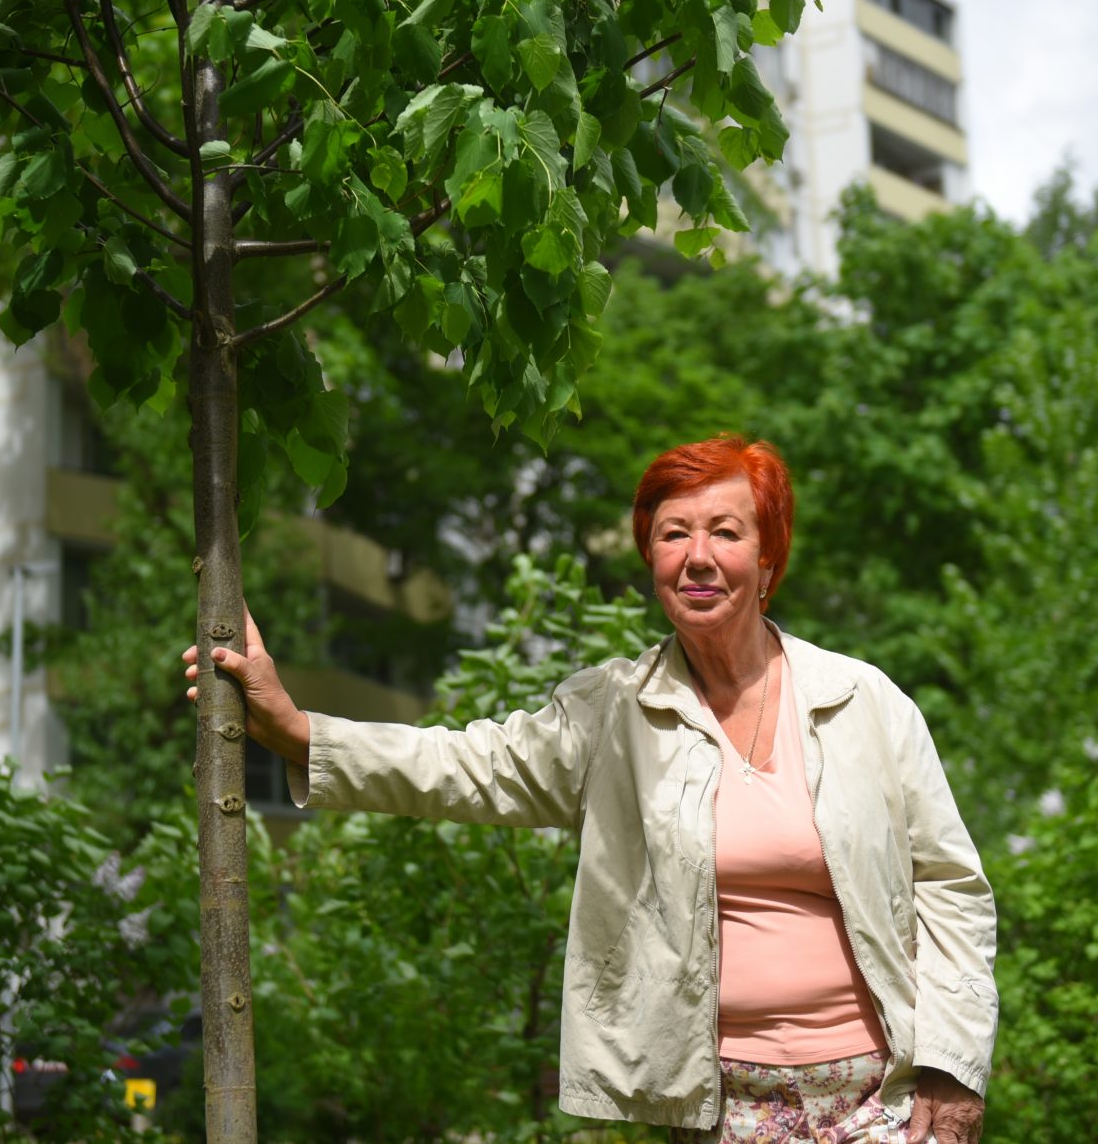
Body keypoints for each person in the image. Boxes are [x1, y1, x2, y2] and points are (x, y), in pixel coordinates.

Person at [186, 436, 996, 1143]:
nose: (698, 555)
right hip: (718, 1108)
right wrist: (296, 729)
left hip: (882, 1100)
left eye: (726, 531)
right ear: (652, 562)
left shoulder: (863, 701)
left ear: (769, 560)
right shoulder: (618, 708)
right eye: (673, 534)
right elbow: (471, 766)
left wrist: (953, 1069)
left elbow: (951, 887)